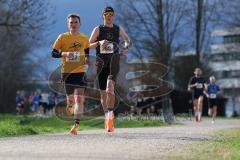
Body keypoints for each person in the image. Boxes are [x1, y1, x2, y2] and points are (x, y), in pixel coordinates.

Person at [89, 6, 131, 132]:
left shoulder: (118, 29)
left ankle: (110, 118)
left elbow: (127, 40)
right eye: (107, 14)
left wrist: (126, 46)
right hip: (101, 64)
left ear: (113, 16)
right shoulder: (98, 29)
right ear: (103, 16)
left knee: (110, 88)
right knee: (103, 94)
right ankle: (107, 116)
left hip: (114, 62)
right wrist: (99, 43)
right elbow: (88, 44)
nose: (109, 16)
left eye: (111, 14)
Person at [51, 13, 90, 135]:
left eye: (75, 22)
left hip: (80, 72)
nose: (73, 24)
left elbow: (87, 52)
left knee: (79, 98)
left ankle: (76, 125)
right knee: (71, 101)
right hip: (67, 72)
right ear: (68, 24)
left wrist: (87, 61)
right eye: (71, 22)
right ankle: (69, 106)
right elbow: (53, 53)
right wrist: (65, 54)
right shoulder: (62, 37)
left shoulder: (84, 38)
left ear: (80, 24)